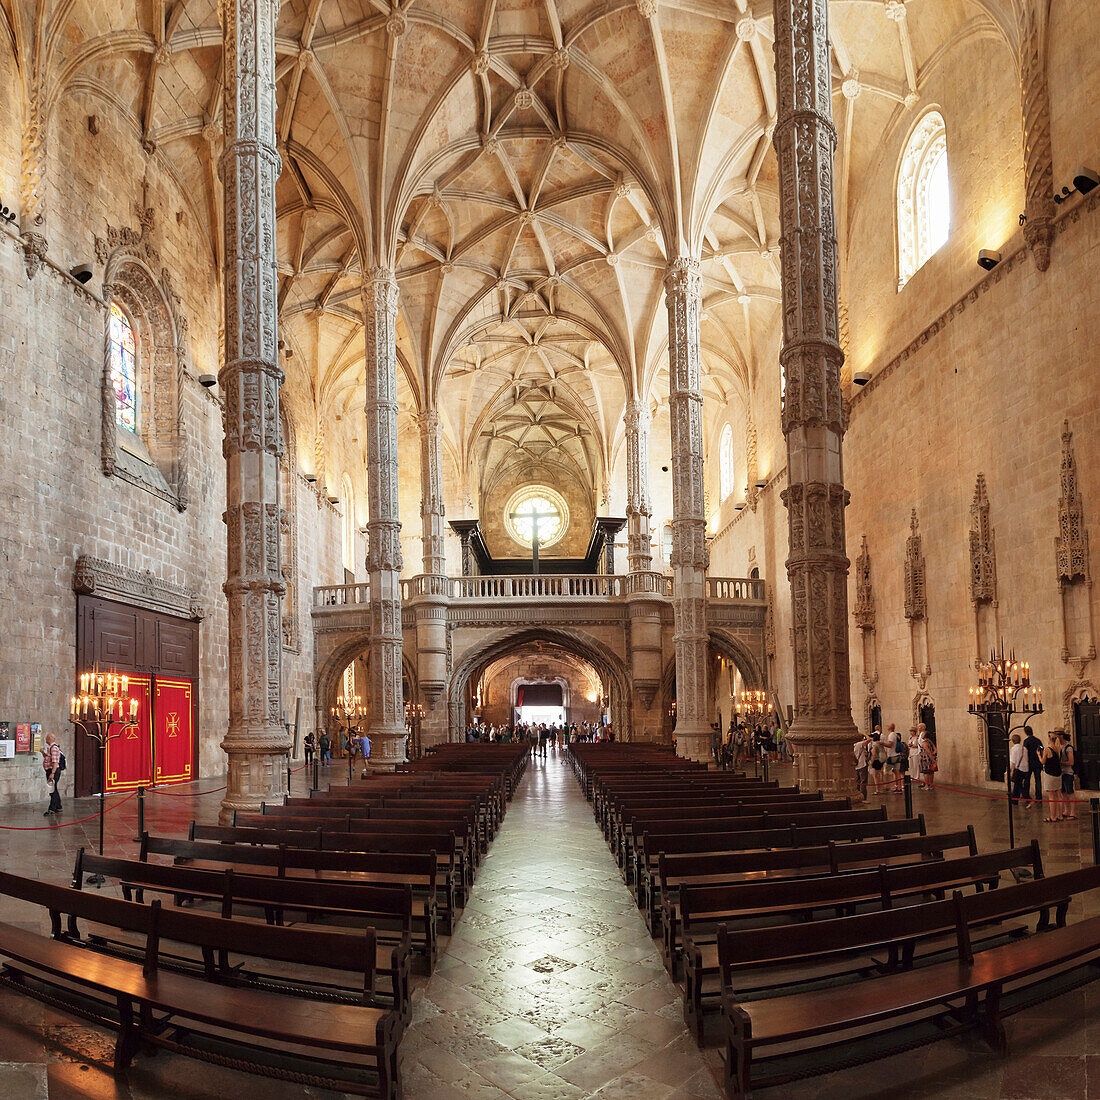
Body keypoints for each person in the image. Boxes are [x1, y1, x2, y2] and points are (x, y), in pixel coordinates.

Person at [1041, 732, 1062, 821]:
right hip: (1058, 774)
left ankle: (1053, 817)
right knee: (1058, 796)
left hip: (1050, 774)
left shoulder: (1047, 749)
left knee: (1052, 797)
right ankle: (1060, 816)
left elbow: (1043, 761)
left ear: (1049, 738)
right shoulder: (1058, 748)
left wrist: (1039, 754)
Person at [1022, 725, 1044, 807]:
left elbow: (1025, 752)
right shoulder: (1038, 740)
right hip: (1037, 763)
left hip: (1029, 763)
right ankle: (1039, 797)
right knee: (1037, 780)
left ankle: (1027, 796)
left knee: (1027, 780)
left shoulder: (1026, 741)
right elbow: (1042, 748)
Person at [43, 732, 63, 816]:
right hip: (50, 771)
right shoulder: (50, 748)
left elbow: (55, 762)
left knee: (52, 790)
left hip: (53, 771)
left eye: (47, 738)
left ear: (51, 738)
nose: (45, 739)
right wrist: (42, 752)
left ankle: (52, 808)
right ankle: (58, 806)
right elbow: (48, 758)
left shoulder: (54, 748)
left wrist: (52, 773)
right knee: (54, 789)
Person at [1059, 731, 1077, 821]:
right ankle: (1066, 810)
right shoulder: (1059, 747)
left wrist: (1060, 763)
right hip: (1061, 773)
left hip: (1068, 772)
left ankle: (1073, 813)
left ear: (1061, 736)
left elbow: (1071, 762)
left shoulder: (1068, 748)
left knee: (1070, 792)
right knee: (1063, 792)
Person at [1008, 732, 1026, 804]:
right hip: (1024, 769)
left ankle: (1017, 799)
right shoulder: (1024, 748)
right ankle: (1022, 797)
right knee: (1019, 784)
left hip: (1018, 769)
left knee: (1017, 784)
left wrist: (1011, 771)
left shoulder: (1014, 749)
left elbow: (1013, 761)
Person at [853, 731, 871, 801]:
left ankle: (857, 796)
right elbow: (869, 740)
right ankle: (863, 798)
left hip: (856, 766)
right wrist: (865, 734)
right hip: (862, 765)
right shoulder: (859, 744)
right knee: (863, 782)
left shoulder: (853, 745)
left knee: (857, 781)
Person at [882, 723, 899, 792]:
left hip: (892, 755)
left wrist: (881, 743)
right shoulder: (895, 734)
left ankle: (887, 786)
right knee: (896, 772)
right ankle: (898, 787)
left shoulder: (891, 735)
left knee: (886, 772)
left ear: (889, 728)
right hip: (896, 755)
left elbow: (890, 745)